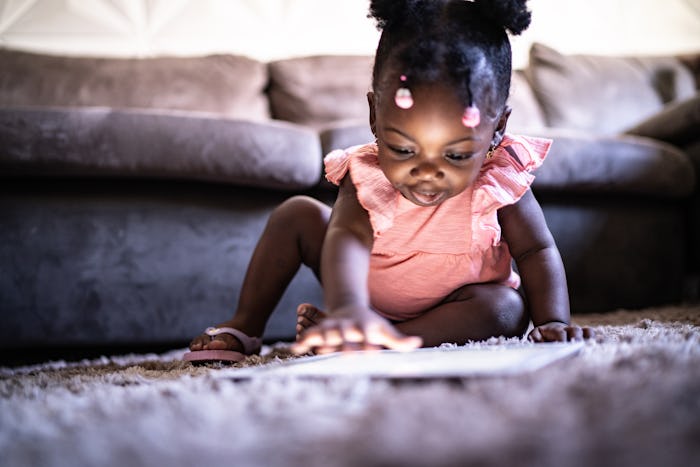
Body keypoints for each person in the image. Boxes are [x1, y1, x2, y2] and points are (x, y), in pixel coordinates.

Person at [185, 0, 592, 362]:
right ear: (375, 117)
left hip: (455, 306)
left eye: (455, 154)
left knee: (506, 308)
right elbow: (347, 237)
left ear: (498, 128)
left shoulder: (500, 183)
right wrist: (348, 306)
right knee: (297, 214)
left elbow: (538, 250)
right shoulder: (366, 176)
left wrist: (552, 320)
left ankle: (387, 339)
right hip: (360, 289)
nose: (427, 171)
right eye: (403, 149)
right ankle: (247, 326)